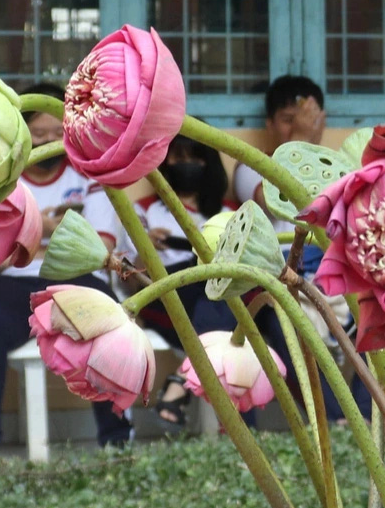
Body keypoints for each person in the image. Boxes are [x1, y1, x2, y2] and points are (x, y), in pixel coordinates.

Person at [0, 83, 128, 466]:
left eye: (57, 133)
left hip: (74, 280)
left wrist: (22, 238)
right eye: (38, 134)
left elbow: (98, 251)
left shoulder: (91, 177)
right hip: (7, 285)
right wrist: (49, 230)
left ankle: (118, 442)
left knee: (110, 323)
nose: (49, 142)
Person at [133, 136, 241, 428]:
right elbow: (130, 273)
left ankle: (182, 379)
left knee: (217, 285)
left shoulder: (230, 213)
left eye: (194, 158)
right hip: (165, 300)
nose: (186, 165)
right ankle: (239, 426)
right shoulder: (142, 211)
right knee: (218, 291)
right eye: (178, 158)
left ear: (209, 163)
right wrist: (146, 248)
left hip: (211, 303)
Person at [234, 74, 326, 219]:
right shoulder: (251, 167)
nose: (299, 125)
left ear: (321, 121)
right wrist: (300, 141)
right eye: (289, 120)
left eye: (307, 119)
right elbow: (273, 202)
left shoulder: (336, 169)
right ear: (270, 124)